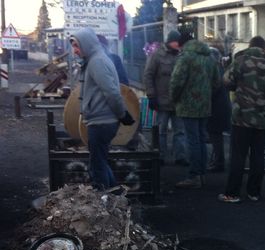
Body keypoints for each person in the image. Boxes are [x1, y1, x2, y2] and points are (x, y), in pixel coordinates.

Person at [218, 36, 265, 203]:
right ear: (264, 47)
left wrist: (238, 87)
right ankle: (253, 192)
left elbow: (226, 81)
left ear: (250, 45)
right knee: (257, 156)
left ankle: (232, 193)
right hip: (261, 118)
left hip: (241, 117)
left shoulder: (240, 60)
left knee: (238, 156)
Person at [70, 28, 135, 190]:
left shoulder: (97, 62)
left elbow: (112, 92)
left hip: (102, 122)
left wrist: (122, 114)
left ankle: (102, 202)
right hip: (100, 120)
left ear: (86, 44)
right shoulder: (94, 59)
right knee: (100, 162)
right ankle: (114, 195)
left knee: (97, 166)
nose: (74, 50)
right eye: (73, 46)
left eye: (77, 46)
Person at [170, 34, 220, 188]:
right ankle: (201, 174)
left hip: (188, 106)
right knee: (200, 139)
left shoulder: (185, 58)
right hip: (204, 105)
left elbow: (176, 81)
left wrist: (173, 98)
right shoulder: (209, 58)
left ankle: (194, 176)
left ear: (182, 44)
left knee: (192, 141)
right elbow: (217, 82)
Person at [143, 30, 187, 165]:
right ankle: (160, 156)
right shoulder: (157, 55)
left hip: (178, 101)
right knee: (161, 131)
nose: (178, 44)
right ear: (170, 41)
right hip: (161, 101)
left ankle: (180, 157)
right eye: (176, 42)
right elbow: (148, 75)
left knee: (179, 131)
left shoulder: (182, 55)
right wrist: (151, 95)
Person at [207, 46, 231, 173]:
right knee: (216, 136)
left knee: (215, 136)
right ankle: (217, 161)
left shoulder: (214, 70)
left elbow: (213, 89)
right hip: (223, 106)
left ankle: (218, 163)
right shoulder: (222, 69)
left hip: (216, 108)